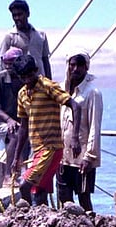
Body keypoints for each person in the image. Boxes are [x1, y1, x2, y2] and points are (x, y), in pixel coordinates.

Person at [9, 53, 81, 207]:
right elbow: (23, 127)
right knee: (39, 192)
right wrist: (16, 157)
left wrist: (75, 138)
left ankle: (23, 217)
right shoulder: (22, 94)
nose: (28, 80)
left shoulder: (48, 86)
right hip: (37, 150)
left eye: (30, 75)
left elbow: (75, 106)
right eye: (24, 77)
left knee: (24, 185)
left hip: (51, 148)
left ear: (35, 71)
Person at [59, 50, 103, 211]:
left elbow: (94, 127)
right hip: (63, 156)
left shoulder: (92, 93)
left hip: (82, 156)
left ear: (86, 68)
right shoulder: (61, 90)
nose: (75, 69)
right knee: (64, 199)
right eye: (72, 65)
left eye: (80, 65)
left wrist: (89, 156)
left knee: (84, 198)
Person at [0, 0, 53, 78]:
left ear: (28, 14)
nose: (17, 18)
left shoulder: (41, 35)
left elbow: (45, 60)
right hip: (19, 82)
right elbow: (2, 62)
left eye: (20, 14)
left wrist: (50, 83)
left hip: (40, 82)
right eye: (14, 15)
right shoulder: (9, 37)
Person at [0, 46, 25, 155]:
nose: (8, 67)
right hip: (1, 119)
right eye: (6, 63)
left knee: (26, 135)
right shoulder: (0, 78)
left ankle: (24, 168)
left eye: (11, 64)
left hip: (21, 119)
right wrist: (8, 120)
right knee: (14, 134)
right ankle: (9, 171)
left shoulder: (26, 78)